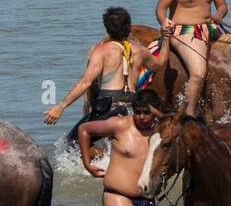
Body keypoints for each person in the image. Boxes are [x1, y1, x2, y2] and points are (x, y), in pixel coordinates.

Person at [46, 7, 171, 137]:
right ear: (128, 28)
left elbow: (85, 82)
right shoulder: (140, 51)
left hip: (107, 106)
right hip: (132, 106)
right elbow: (160, 64)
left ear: (107, 29)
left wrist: (60, 107)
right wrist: (166, 38)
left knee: (72, 141)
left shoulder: (101, 51)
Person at [156, 0, 228, 116]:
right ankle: (188, 116)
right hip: (184, 30)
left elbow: (223, 5)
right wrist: (164, 22)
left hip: (209, 28)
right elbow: (160, 8)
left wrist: (219, 14)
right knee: (198, 73)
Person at [77, 89, 164, 206]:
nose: (141, 117)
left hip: (148, 199)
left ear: (156, 111)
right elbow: (84, 129)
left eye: (147, 112)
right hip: (118, 195)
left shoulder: (162, 131)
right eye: (137, 112)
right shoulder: (119, 125)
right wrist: (87, 164)